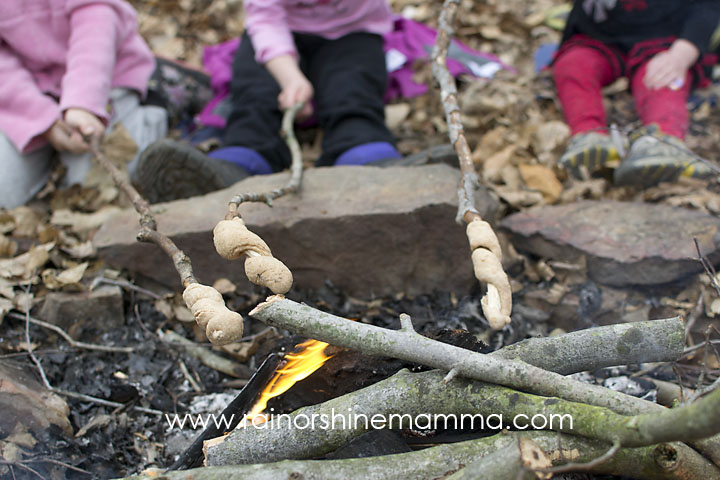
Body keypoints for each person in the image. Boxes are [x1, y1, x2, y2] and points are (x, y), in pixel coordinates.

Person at [137, 0, 405, 204]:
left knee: (352, 89)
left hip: (353, 31)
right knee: (256, 89)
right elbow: (265, 20)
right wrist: (290, 78)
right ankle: (241, 159)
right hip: (276, 29)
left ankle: (365, 153)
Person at [0, 0, 168, 209]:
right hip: (31, 89)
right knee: (4, 190)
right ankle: (53, 160)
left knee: (93, 184)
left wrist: (83, 102)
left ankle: (154, 116)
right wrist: (41, 118)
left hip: (105, 76)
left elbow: (96, 21)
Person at [553, 0, 720, 187]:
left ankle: (663, 140)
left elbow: (708, 7)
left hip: (665, 42)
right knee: (573, 65)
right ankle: (588, 134)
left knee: (664, 82)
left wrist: (682, 54)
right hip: (600, 37)